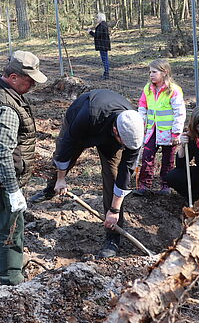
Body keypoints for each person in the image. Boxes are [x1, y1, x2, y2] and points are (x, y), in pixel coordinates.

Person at [29, 89, 145, 258]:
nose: (126, 147)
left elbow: (125, 173)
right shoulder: (88, 116)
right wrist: (61, 178)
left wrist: (114, 209)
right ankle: (51, 188)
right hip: (82, 123)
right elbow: (65, 149)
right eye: (123, 142)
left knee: (113, 176)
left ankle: (112, 237)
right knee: (64, 160)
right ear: (115, 131)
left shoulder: (133, 133)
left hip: (109, 136)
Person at [0, 50, 47, 285]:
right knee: (11, 228)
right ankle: (12, 280)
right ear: (13, 77)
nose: (33, 84)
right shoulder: (6, 109)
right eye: (29, 79)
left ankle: (12, 265)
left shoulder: (1, 91)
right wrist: (13, 190)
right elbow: (3, 154)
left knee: (11, 224)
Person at [136, 59, 186, 195]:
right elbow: (142, 107)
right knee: (147, 156)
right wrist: (140, 125)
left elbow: (179, 112)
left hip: (168, 132)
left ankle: (166, 185)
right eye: (150, 72)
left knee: (168, 159)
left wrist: (176, 133)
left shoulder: (174, 90)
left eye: (154, 72)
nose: (151, 75)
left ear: (164, 73)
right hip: (152, 130)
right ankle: (144, 185)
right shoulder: (147, 89)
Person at [89, 13, 111, 80]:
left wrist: (90, 32)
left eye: (97, 17)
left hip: (103, 46)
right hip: (104, 45)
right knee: (105, 59)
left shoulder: (102, 26)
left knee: (105, 60)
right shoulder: (104, 25)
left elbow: (97, 35)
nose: (96, 19)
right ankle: (106, 73)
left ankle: (106, 74)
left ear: (100, 18)